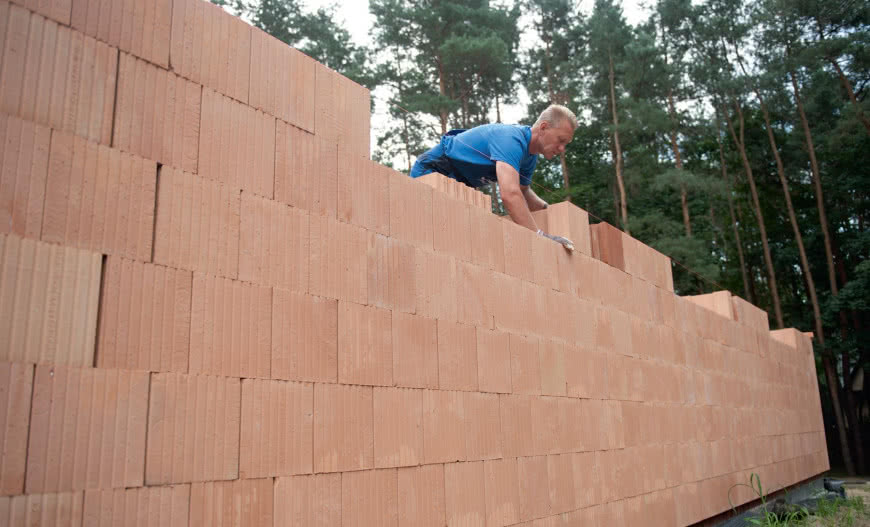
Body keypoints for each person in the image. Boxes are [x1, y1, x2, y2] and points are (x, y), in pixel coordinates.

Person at [410, 104, 576, 250]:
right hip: (434, 168)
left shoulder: (530, 158)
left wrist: (551, 211)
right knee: (436, 237)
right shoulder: (511, 140)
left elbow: (523, 191)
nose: (562, 149)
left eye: (566, 144)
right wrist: (539, 236)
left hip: (460, 183)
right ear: (544, 127)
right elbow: (510, 195)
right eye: (560, 140)